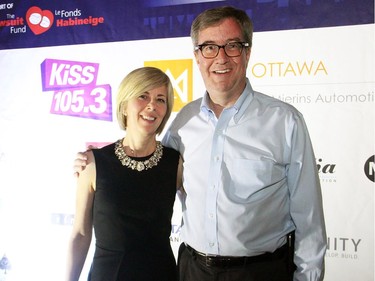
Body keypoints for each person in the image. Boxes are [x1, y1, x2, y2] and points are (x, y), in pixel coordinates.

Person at [74, 6, 327, 281]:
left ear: (247, 52)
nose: (220, 57)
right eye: (209, 47)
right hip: (191, 272)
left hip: (260, 272)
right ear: (197, 56)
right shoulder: (183, 122)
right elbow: (146, 162)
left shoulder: (285, 122)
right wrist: (99, 161)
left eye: (232, 46)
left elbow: (309, 217)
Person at [66, 67, 182, 281]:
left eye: (160, 99)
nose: (152, 106)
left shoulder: (175, 163)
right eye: (143, 96)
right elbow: (81, 233)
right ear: (124, 106)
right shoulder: (93, 162)